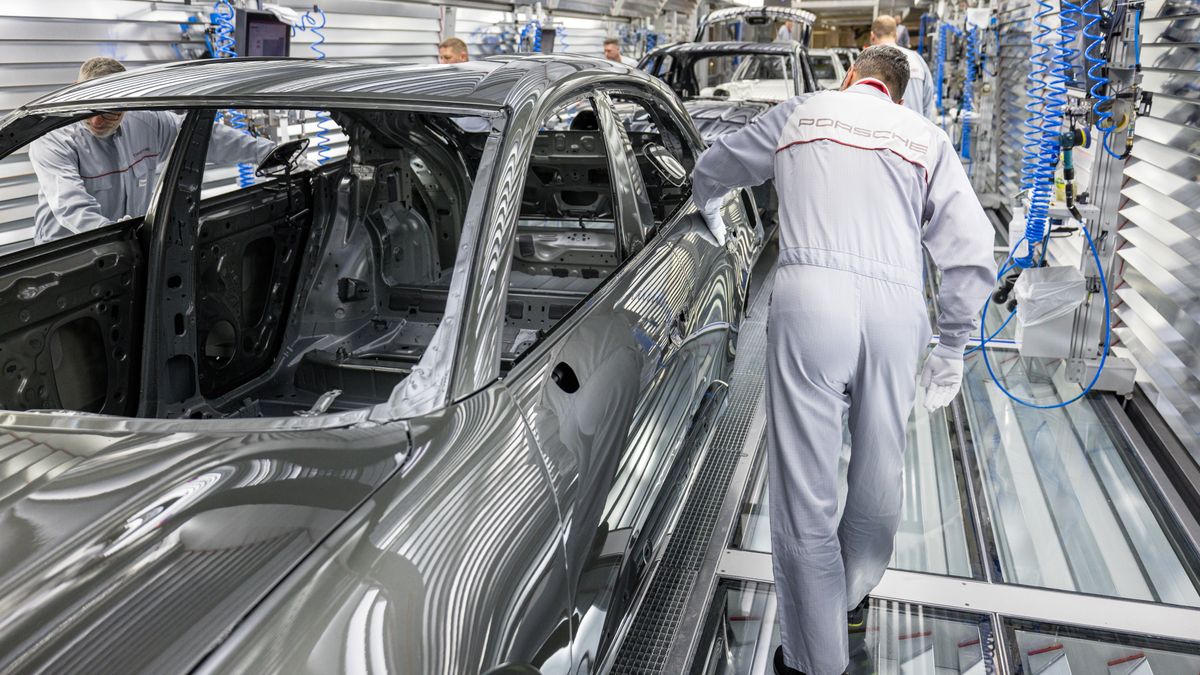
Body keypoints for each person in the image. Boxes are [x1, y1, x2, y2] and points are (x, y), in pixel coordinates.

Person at [690, 46, 994, 675]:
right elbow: (970, 249)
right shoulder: (925, 136)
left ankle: (813, 659)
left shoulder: (802, 112)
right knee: (880, 465)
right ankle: (854, 593)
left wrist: (710, 203)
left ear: (852, 73)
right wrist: (954, 343)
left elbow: (719, 163)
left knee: (805, 492)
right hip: (897, 311)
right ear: (900, 93)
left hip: (811, 303)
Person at [29, 57, 276, 244]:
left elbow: (204, 139)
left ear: (128, 104)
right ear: (77, 90)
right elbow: (72, 207)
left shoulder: (147, 124)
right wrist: (117, 238)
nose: (96, 121)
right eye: (88, 110)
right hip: (66, 256)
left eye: (111, 112)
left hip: (128, 251)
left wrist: (267, 154)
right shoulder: (53, 140)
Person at [870, 16, 936, 119]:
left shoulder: (868, 63)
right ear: (896, 36)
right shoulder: (917, 60)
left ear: (872, 36)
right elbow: (929, 105)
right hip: (917, 131)